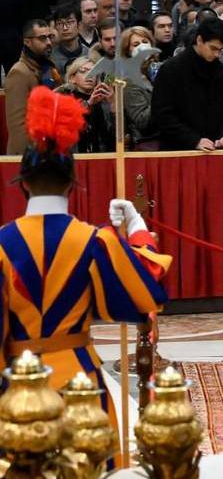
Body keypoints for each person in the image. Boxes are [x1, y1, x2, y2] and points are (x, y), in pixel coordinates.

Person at [1, 85, 169, 430]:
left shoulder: (1, 245)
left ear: (23, 184)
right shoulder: (96, 241)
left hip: (17, 387)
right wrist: (137, 228)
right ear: (72, 183)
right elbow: (146, 290)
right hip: (81, 385)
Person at [150, 17, 223, 151]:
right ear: (199, 40)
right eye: (213, 48)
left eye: (220, 50)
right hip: (178, 149)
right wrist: (193, 140)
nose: (216, 54)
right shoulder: (172, 69)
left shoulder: (220, 71)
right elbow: (162, 114)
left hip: (214, 148)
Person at [7, 20, 63, 154]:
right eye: (42, 38)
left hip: (50, 150)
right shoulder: (19, 72)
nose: (49, 42)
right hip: (30, 155)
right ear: (27, 42)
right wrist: (30, 158)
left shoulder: (49, 66)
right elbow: (18, 126)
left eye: (50, 37)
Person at [55, 56, 115, 153]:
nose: (89, 76)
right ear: (72, 78)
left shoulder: (103, 100)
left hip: (100, 156)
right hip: (74, 156)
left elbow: (114, 135)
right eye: (83, 71)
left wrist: (113, 104)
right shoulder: (63, 99)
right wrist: (89, 103)